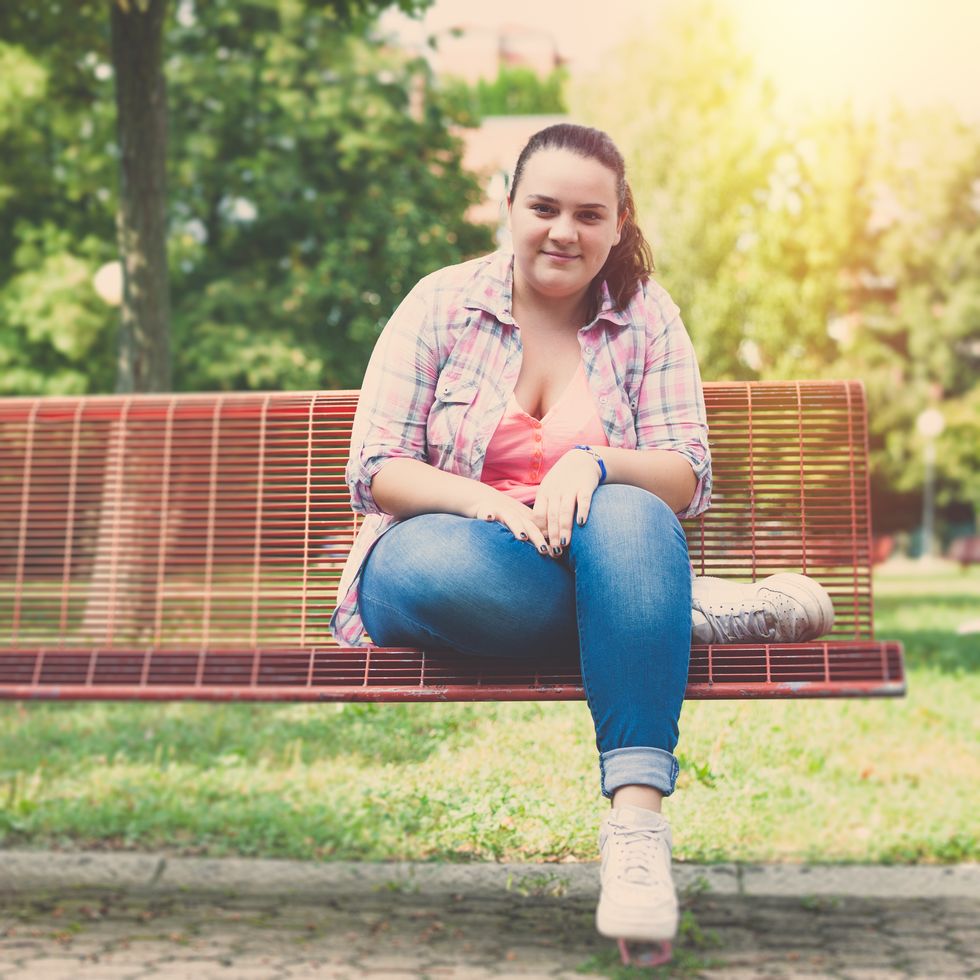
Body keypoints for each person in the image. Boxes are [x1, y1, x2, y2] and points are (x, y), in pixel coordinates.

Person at [330, 123, 833, 950]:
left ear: (618, 222)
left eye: (589, 215)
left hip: (599, 551)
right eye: (544, 207)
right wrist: (485, 504)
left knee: (634, 509)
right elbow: (375, 467)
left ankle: (637, 831)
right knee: (431, 564)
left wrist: (596, 463)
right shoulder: (441, 302)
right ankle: (669, 615)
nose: (564, 230)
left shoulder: (647, 317)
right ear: (509, 207)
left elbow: (688, 474)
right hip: (446, 558)